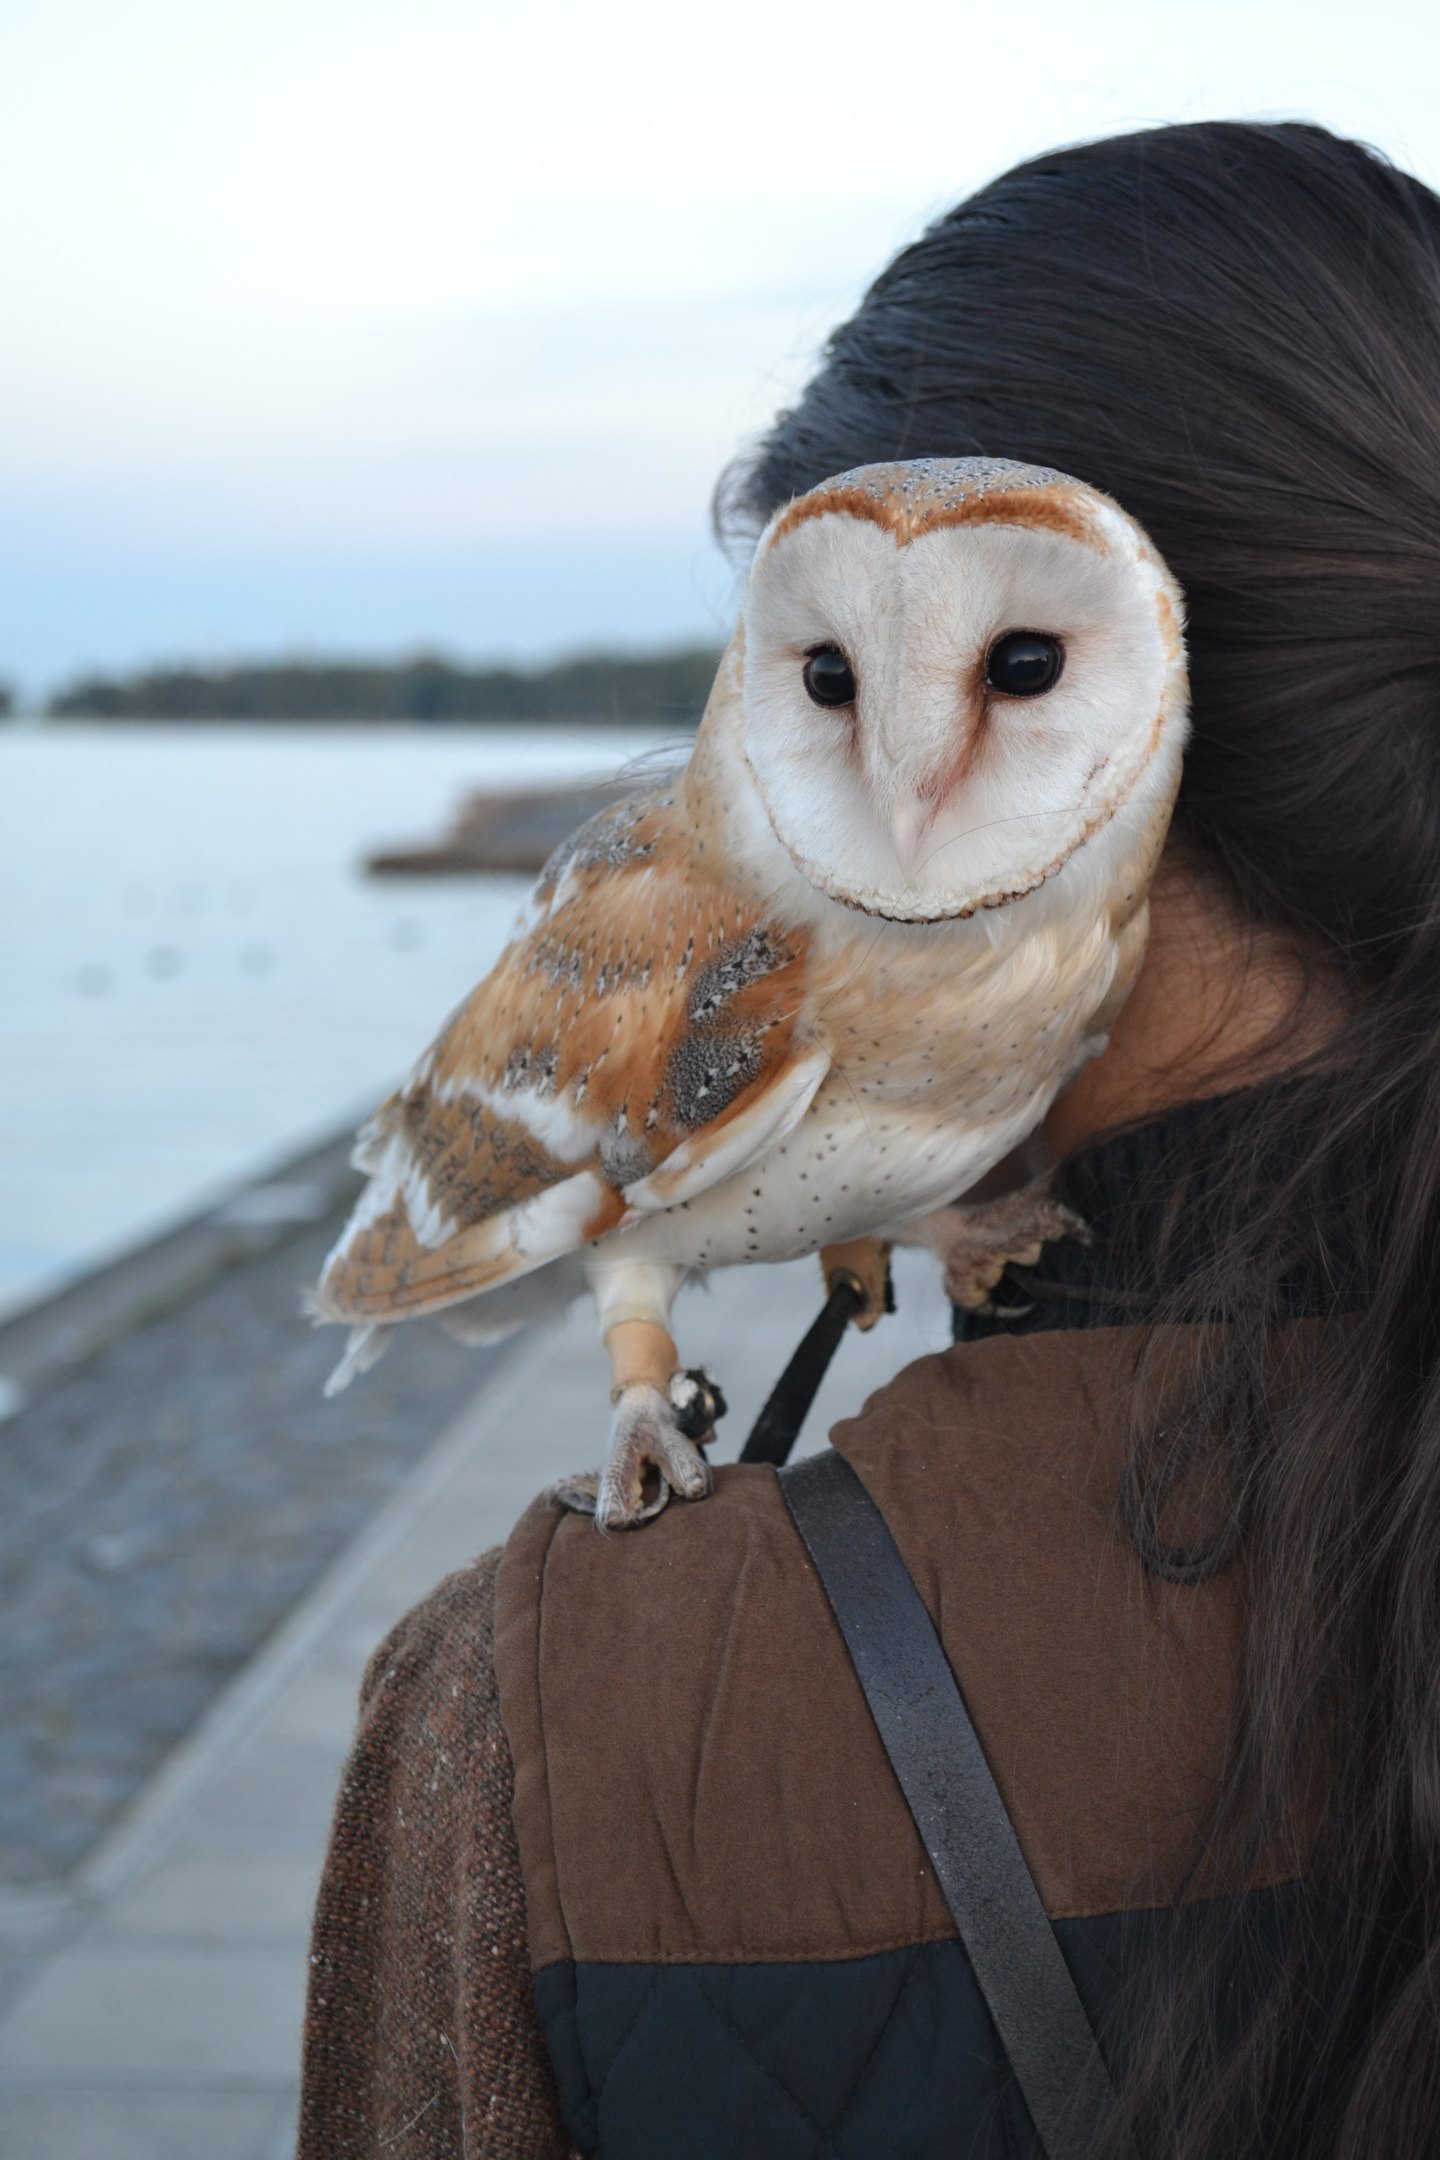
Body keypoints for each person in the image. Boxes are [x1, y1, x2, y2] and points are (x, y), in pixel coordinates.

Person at [297, 121, 1440, 2158]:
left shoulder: (550, 1724)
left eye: (1003, 674)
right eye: (819, 684)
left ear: (1158, 727)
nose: (890, 786)